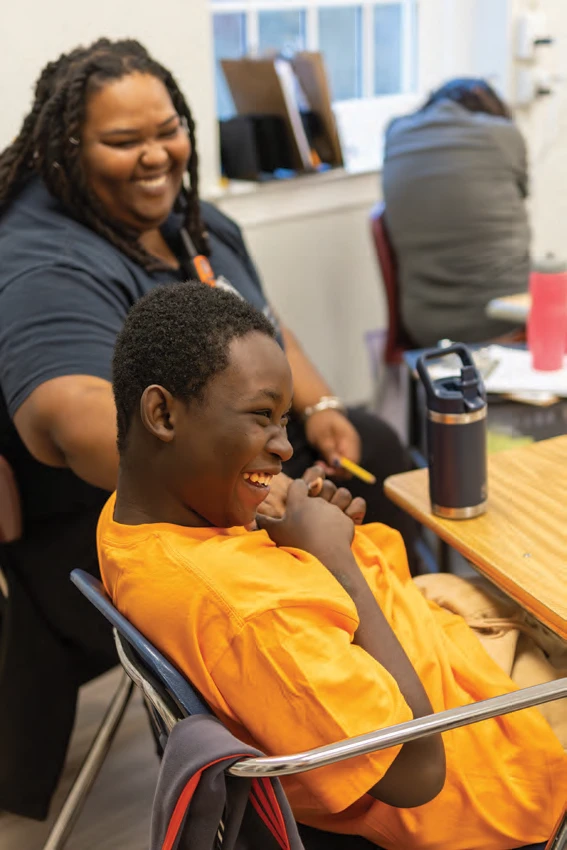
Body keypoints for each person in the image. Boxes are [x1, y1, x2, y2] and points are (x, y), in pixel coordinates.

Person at [0, 38, 416, 819]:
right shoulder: (40, 260)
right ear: (63, 147)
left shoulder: (195, 219)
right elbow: (72, 416)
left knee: (375, 450)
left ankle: (386, 659)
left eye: (168, 129)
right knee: (350, 525)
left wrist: (319, 410)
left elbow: (262, 325)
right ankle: (357, 747)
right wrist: (258, 479)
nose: (156, 155)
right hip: (97, 535)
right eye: (123, 141)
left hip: (215, 480)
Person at [98, 281, 565, 850]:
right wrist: (335, 559)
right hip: (491, 771)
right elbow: (417, 770)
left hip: (440, 649)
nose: (284, 447)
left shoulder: (137, 519)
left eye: (284, 421)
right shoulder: (249, 616)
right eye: (260, 417)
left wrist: (296, 531)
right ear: (162, 413)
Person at [382, 78, 531, 347]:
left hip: (423, 326)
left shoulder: (395, 134)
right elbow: (523, 194)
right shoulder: (503, 134)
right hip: (502, 318)